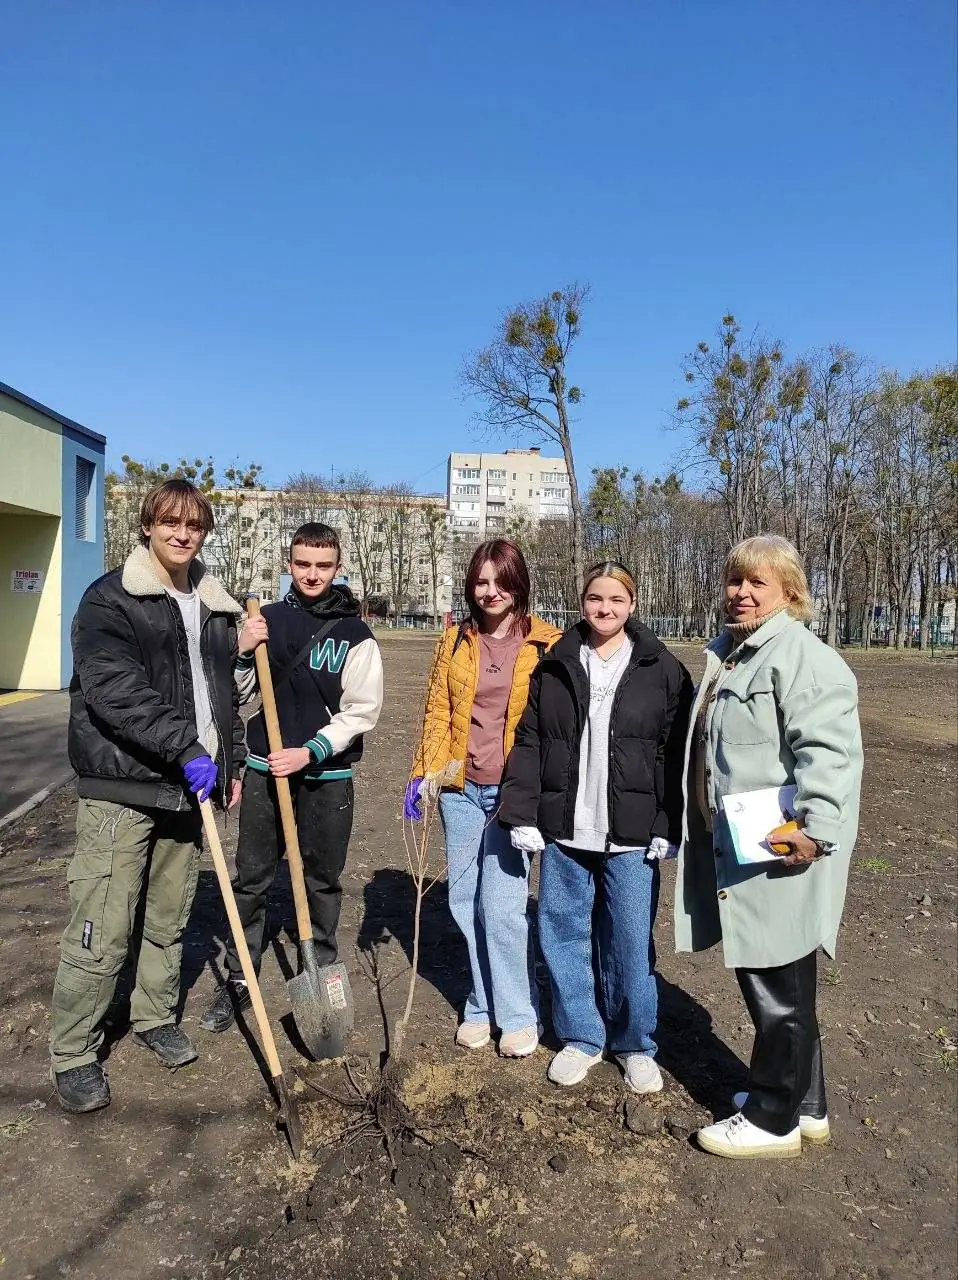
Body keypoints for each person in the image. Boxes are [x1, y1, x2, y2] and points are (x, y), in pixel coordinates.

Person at [50, 479, 245, 1113]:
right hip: (124, 787)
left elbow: (222, 696)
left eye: (194, 525)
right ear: (146, 526)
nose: (183, 534)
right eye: (170, 522)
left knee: (169, 916)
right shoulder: (110, 599)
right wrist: (186, 748)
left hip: (188, 788)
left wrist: (229, 760)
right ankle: (74, 1051)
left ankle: (155, 1015)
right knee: (102, 924)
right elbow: (115, 689)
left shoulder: (214, 606)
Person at [676, 535, 863, 1159]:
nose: (742, 593)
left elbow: (830, 755)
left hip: (782, 845)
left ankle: (771, 1118)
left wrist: (816, 830)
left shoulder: (802, 658)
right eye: (736, 580)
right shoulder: (735, 655)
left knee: (776, 984)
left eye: (758, 582)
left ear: (791, 592)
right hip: (747, 841)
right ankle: (806, 1105)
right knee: (787, 979)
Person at [498, 562, 693, 1090]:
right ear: (581, 601)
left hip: (631, 836)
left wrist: (668, 822)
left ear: (633, 604)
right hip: (566, 830)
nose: (604, 609)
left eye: (615, 599)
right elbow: (531, 740)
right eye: (594, 598)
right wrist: (522, 813)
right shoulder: (556, 663)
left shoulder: (663, 668)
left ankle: (634, 1043)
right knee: (562, 933)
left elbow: (674, 753)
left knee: (629, 940)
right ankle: (582, 1036)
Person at [201, 522, 383, 1032]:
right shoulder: (266, 621)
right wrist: (243, 651)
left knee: (322, 879)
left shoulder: (355, 635)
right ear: (289, 564)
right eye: (303, 564)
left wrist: (311, 751)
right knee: (252, 878)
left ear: (338, 568)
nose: (312, 574)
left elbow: (362, 710)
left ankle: (321, 969)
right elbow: (240, 695)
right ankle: (240, 976)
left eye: (323, 566)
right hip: (265, 769)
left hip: (327, 774)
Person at [406, 540, 561, 1057]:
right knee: (463, 901)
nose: (491, 592)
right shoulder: (454, 640)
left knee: (503, 907)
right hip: (460, 791)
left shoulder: (548, 645)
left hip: (513, 794)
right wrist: (424, 773)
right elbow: (437, 712)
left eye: (501, 581)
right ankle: (481, 1004)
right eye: (481, 581)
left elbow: (557, 728)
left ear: (519, 583)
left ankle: (518, 1013)